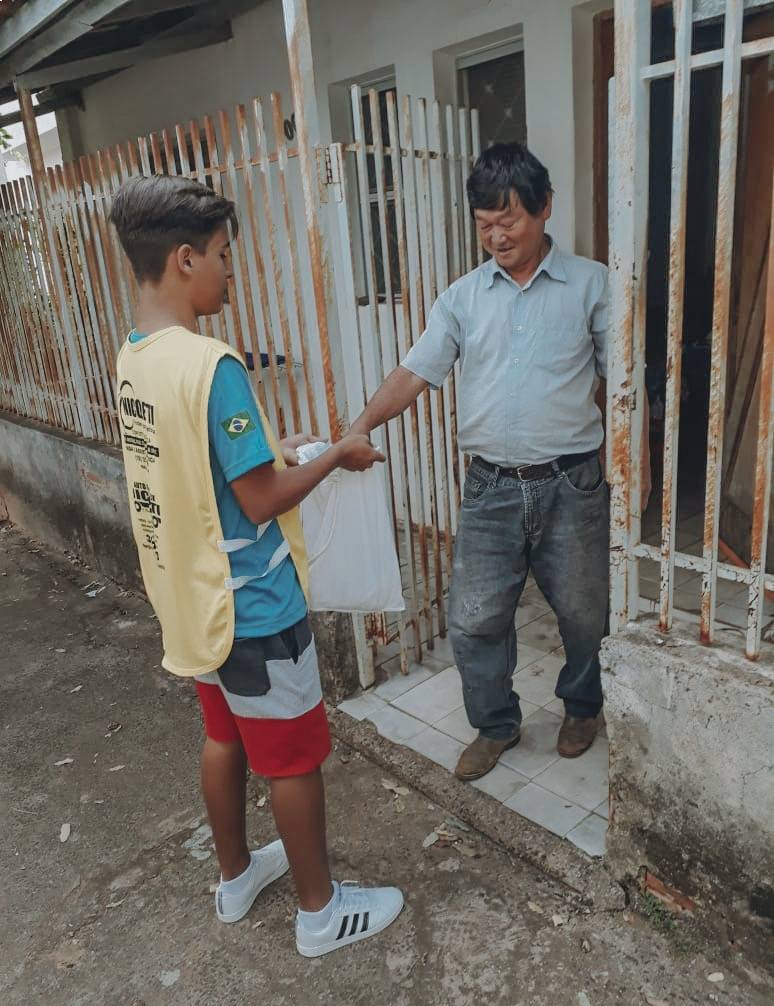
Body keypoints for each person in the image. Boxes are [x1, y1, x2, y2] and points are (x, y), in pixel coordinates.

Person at [110, 174, 403, 956]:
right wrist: (336, 454)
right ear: (184, 260)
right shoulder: (213, 366)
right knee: (293, 758)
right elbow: (262, 497)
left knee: (225, 736)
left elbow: (198, 468)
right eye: (222, 255)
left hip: (194, 600)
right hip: (254, 606)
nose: (230, 272)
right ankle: (320, 913)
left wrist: (279, 450)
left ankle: (235, 877)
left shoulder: (135, 357)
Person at [350, 143, 651, 781]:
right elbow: (414, 372)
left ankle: (582, 708)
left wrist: (641, 465)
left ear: (545, 208)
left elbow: (627, 382)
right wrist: (360, 428)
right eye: (485, 224)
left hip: (572, 482)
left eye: (508, 220)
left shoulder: (592, 284)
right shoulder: (463, 298)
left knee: (584, 613)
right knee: (473, 617)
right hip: (490, 487)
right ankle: (495, 725)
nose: (497, 237)